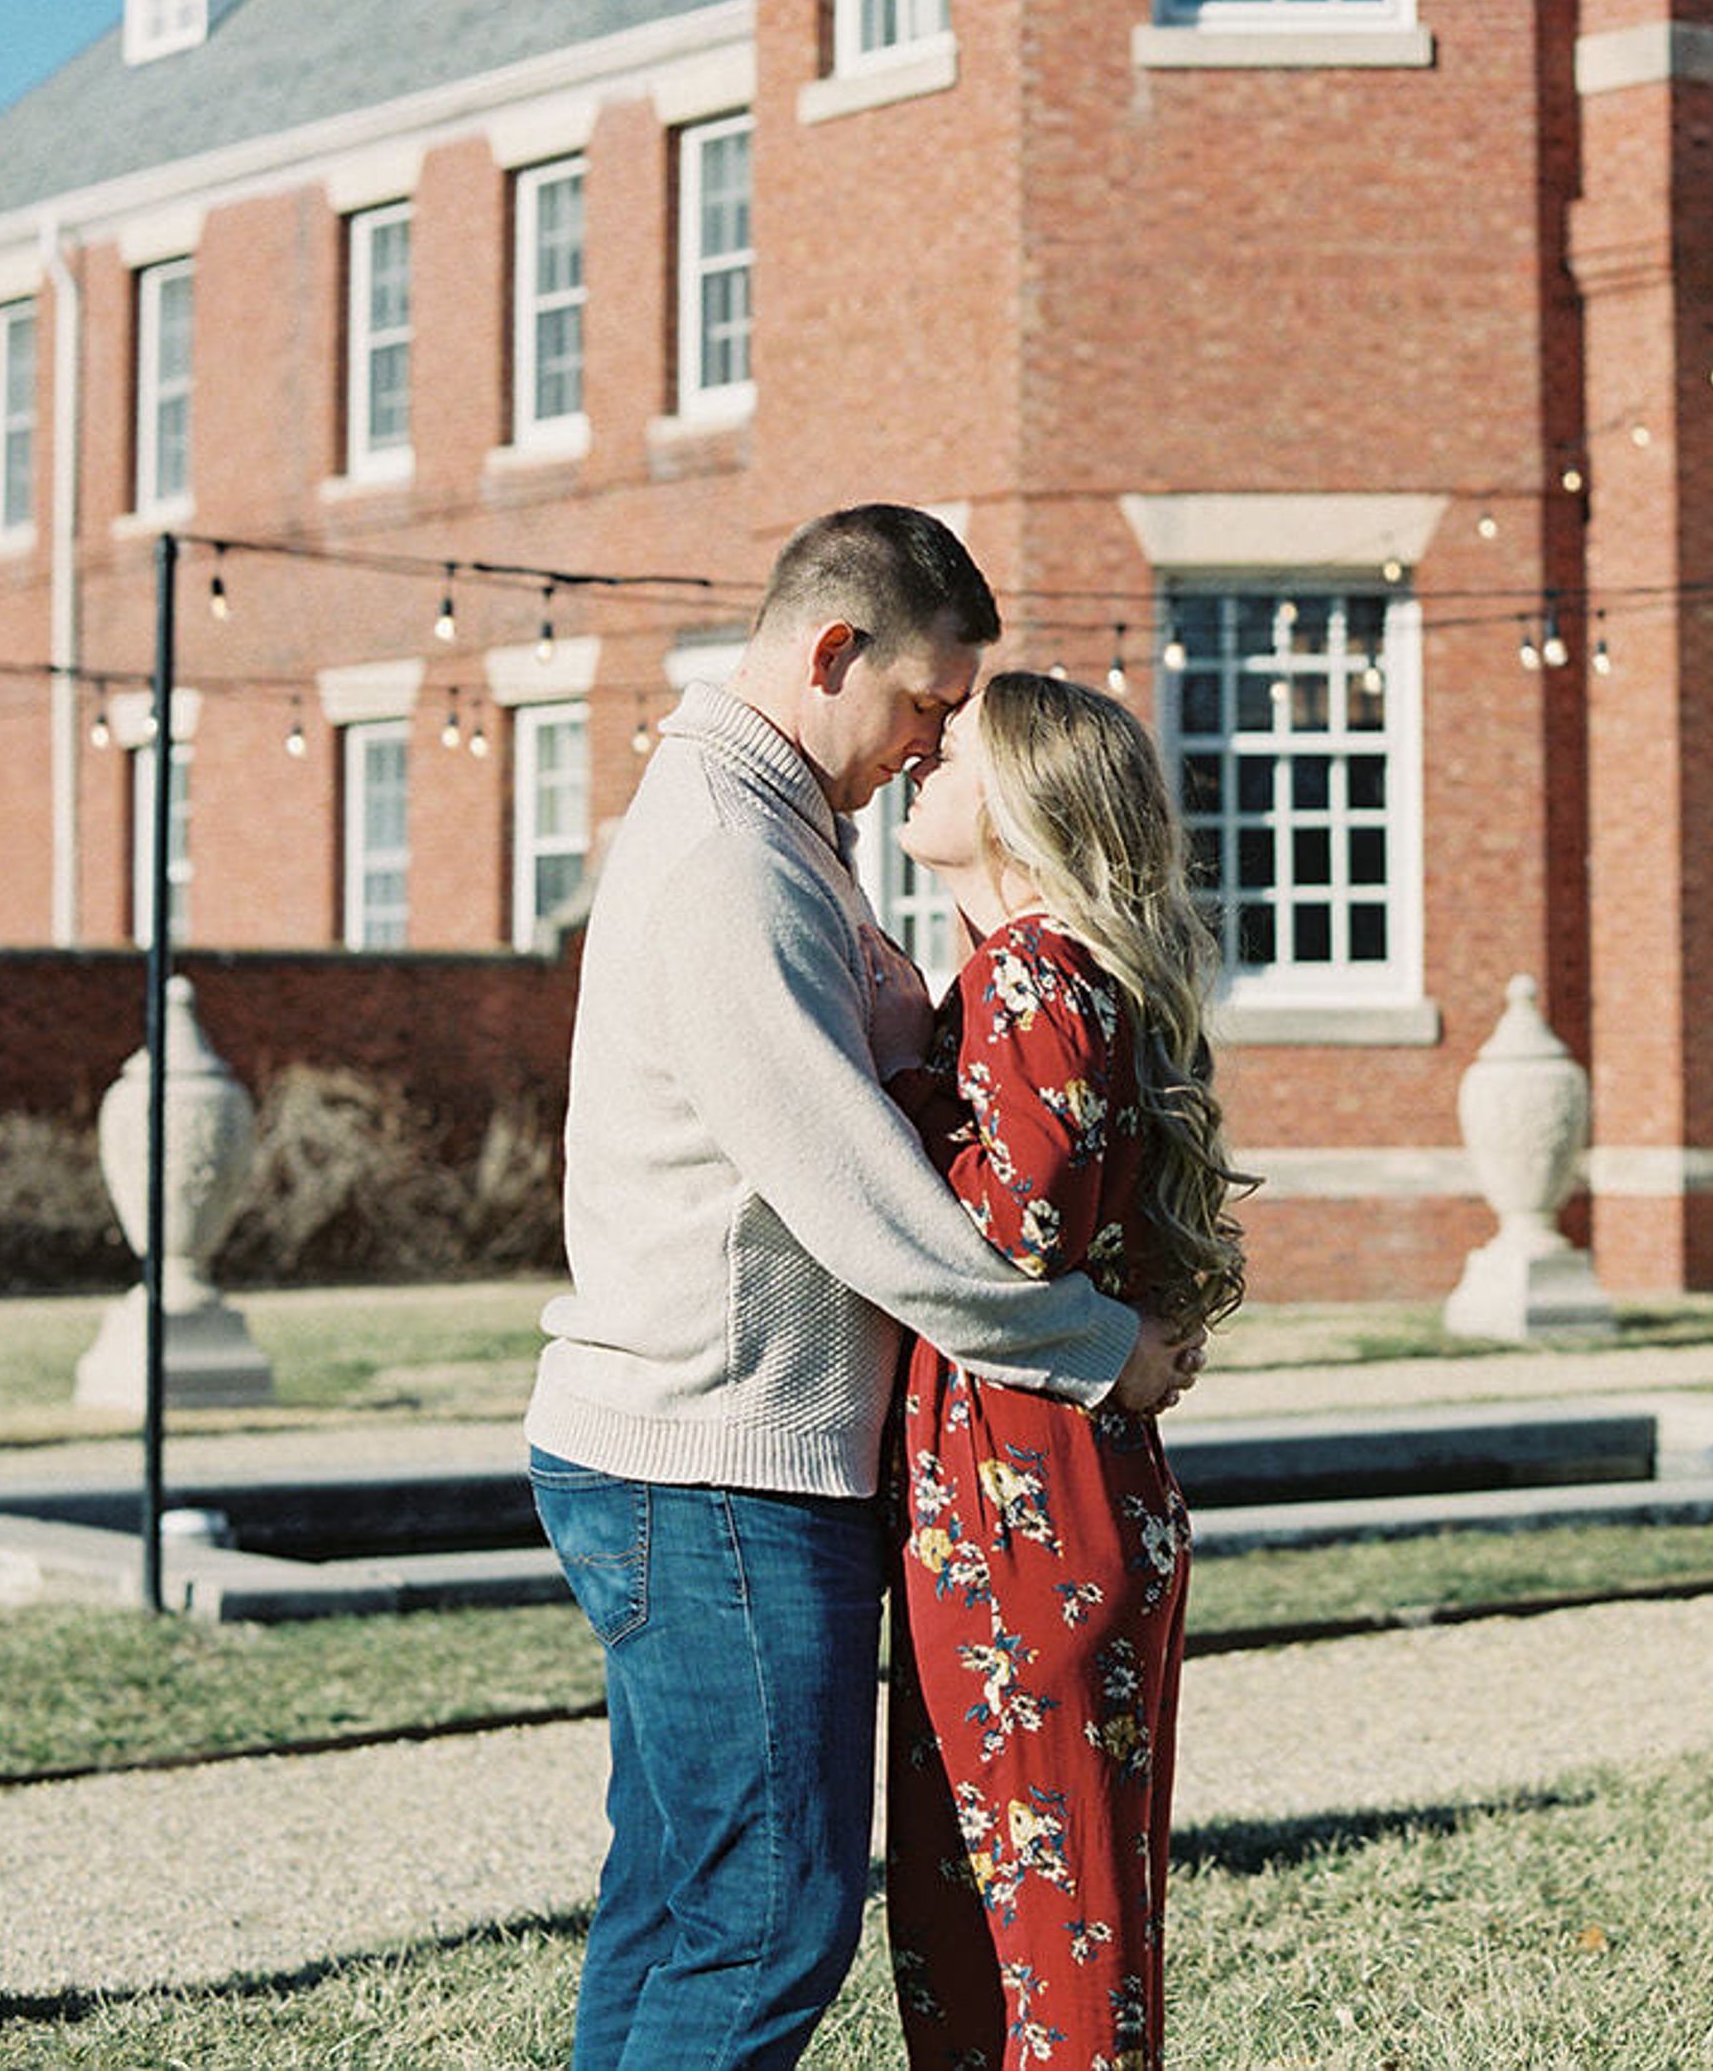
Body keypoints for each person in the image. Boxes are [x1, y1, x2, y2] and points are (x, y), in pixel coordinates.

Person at [527, 505, 1198, 2071]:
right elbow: (865, 1206)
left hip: (695, 1450)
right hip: (714, 1461)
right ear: (833, 653)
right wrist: (1101, 1345)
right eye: (926, 706)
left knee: (680, 1902)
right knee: (769, 1913)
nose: (935, 745)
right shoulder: (729, 858)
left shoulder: (774, 830)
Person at [879, 671, 1251, 2071]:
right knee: (1007, 1919)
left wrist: (871, 1104)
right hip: (1038, 1491)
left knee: (1045, 1938)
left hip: (1026, 1509)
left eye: (956, 747)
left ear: (1023, 801)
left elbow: (1006, 1235)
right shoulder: (1042, 974)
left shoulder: (1035, 971)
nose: (924, 757)